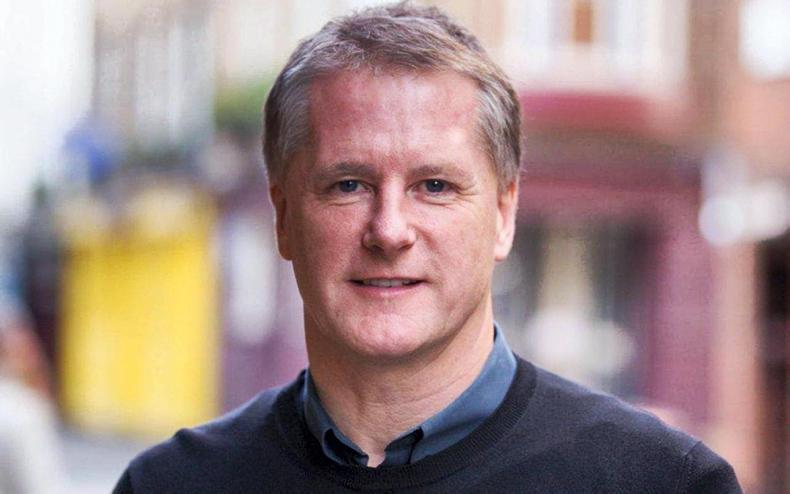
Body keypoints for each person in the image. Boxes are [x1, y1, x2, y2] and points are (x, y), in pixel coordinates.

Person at [115, 3, 742, 492]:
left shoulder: (662, 483)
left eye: (435, 186)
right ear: (282, 217)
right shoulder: (171, 485)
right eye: (348, 184)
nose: (389, 230)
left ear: (503, 215)